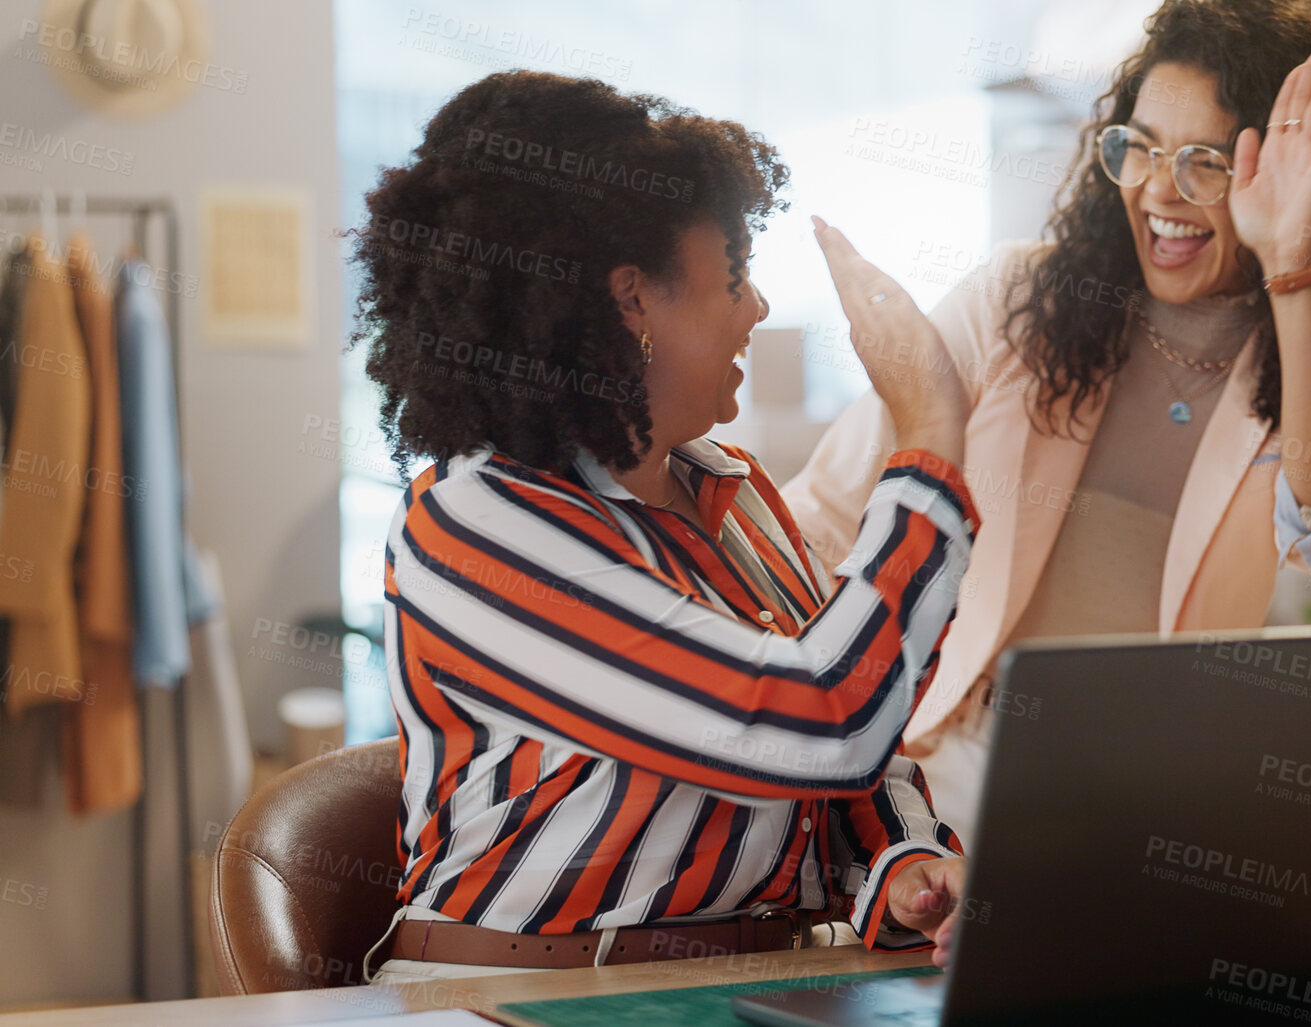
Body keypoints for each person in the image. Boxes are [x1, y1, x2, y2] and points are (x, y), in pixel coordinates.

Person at [349, 71, 978, 983]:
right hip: (520, 994)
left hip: (752, 982)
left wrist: (907, 860)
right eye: (733, 274)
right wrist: (928, 439)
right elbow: (814, 721)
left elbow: (848, 755)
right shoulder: (474, 523)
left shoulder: (732, 487)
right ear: (633, 301)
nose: (756, 306)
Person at [784, 0, 1311, 842]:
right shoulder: (1017, 301)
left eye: (1207, 162)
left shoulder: (1307, 352)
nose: (1158, 191)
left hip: (1160, 793)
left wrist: (1293, 266)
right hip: (953, 764)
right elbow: (824, 511)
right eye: (1138, 148)